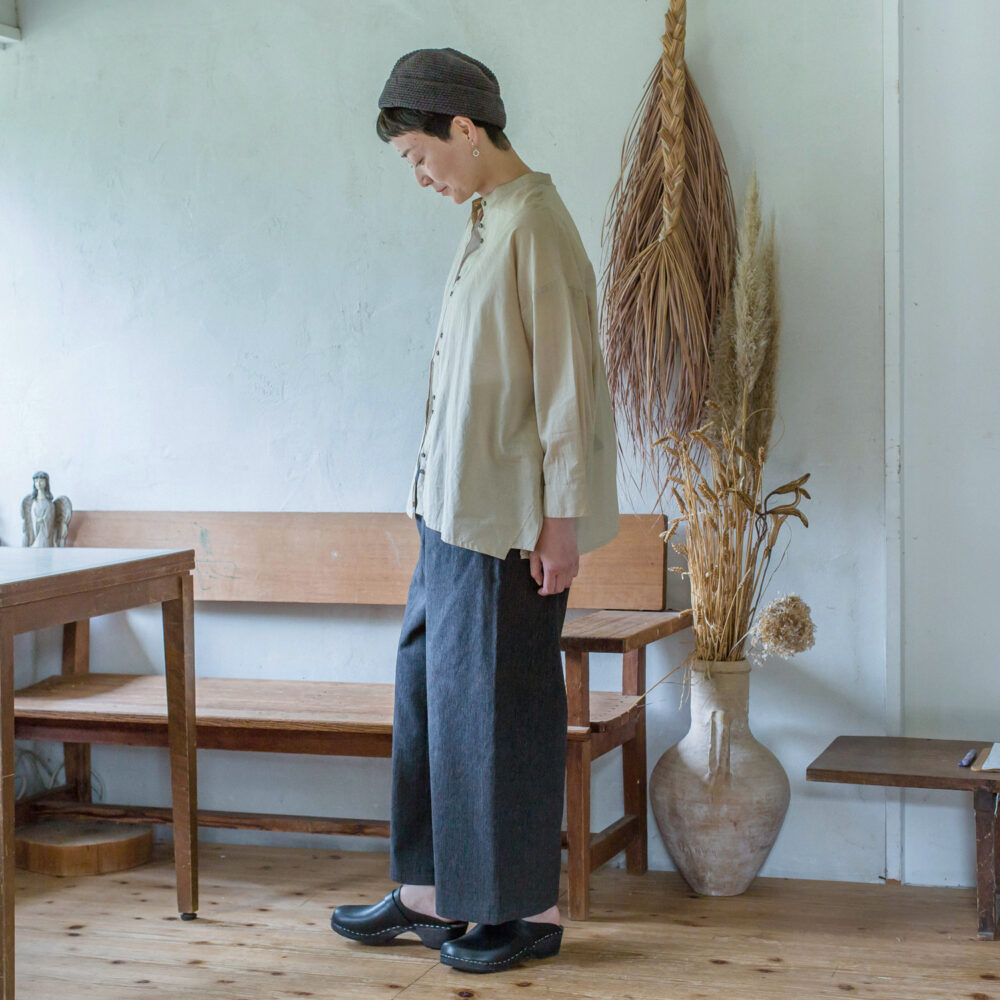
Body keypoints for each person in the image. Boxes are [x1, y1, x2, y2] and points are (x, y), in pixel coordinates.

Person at [330, 47, 619, 974]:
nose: (419, 175)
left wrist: (563, 521)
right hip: (449, 515)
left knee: (501, 711)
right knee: (430, 699)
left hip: (508, 526)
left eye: (419, 154)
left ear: (465, 128)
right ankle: (429, 893)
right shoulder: (487, 222)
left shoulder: (538, 225)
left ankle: (525, 910)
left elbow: (569, 388)